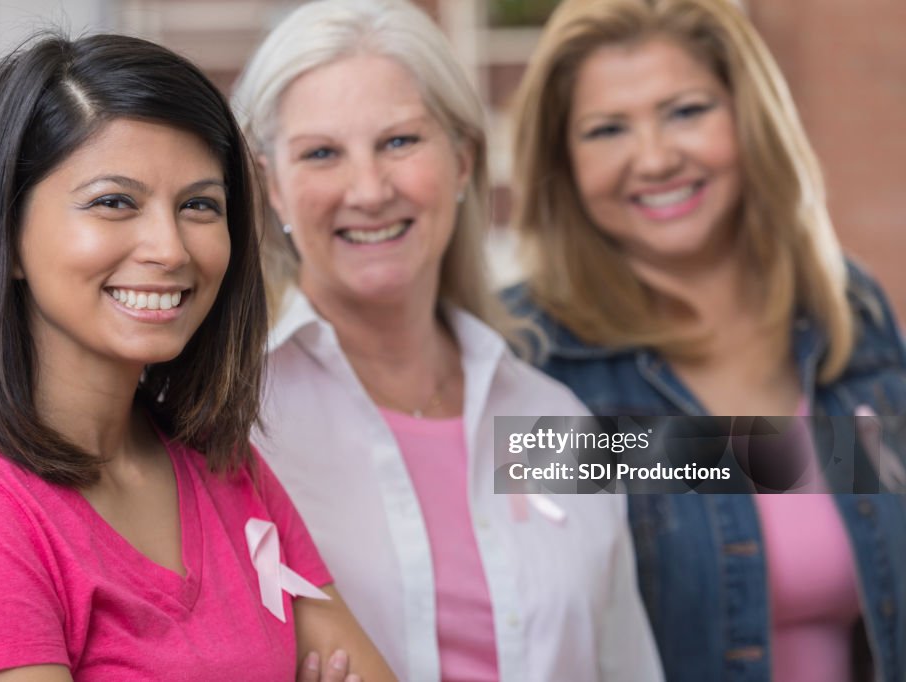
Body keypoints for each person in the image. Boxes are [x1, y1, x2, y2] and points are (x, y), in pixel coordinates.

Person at [0, 33, 395, 682]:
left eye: (199, 206)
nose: (170, 248)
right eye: (114, 202)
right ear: (8, 237)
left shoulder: (224, 462)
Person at [231, 1, 664, 680]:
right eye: (321, 154)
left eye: (400, 141)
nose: (369, 190)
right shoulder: (231, 420)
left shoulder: (550, 417)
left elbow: (625, 664)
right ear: (273, 189)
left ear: (463, 160)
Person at [504, 0, 906, 680]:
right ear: (562, 163)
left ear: (750, 118)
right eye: (606, 130)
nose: (655, 158)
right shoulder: (529, 353)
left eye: (687, 111)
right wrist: (833, 455)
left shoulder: (847, 310)